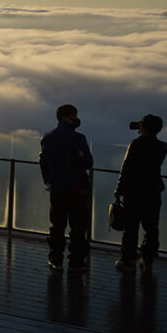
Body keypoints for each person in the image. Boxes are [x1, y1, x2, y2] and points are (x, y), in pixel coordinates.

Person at [39, 103, 94, 272]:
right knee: (78, 226)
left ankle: (56, 260)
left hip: (57, 187)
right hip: (77, 187)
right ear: (66, 117)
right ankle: (75, 261)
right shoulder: (78, 139)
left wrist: (49, 181)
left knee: (57, 225)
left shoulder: (48, 137)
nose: (76, 119)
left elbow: (44, 162)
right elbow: (88, 163)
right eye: (74, 116)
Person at [114, 114, 167, 273]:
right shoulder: (163, 146)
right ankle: (148, 257)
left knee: (130, 227)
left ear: (143, 127)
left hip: (134, 191)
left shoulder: (135, 145)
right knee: (151, 226)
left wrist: (119, 190)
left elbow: (126, 169)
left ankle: (128, 259)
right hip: (154, 191)